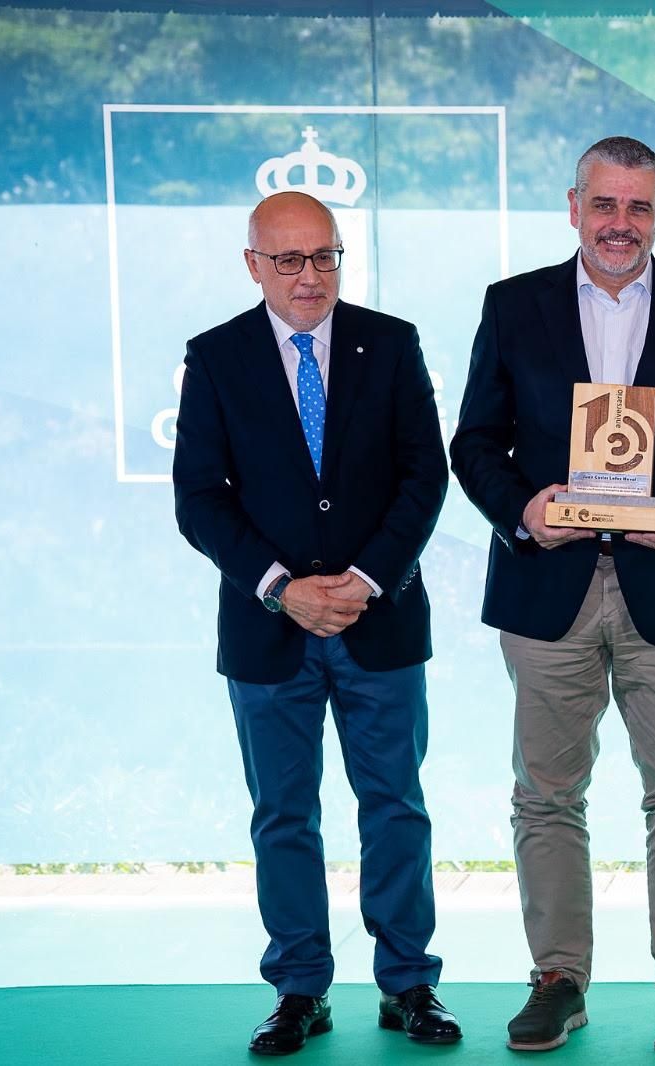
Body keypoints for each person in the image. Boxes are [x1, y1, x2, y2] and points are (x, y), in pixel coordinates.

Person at [450, 135, 655, 1055]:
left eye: (640, 208)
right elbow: (473, 442)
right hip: (545, 579)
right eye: (606, 205)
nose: (621, 225)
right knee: (547, 793)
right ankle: (559, 978)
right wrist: (524, 508)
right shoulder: (512, 307)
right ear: (573, 207)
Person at [174, 190, 459, 1055]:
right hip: (268, 634)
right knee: (284, 815)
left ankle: (409, 983)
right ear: (254, 265)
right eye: (290, 260)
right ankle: (300, 990)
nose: (311, 277)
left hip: (380, 623)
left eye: (325, 256)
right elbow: (200, 500)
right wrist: (280, 589)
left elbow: (425, 478)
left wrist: (366, 580)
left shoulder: (393, 343)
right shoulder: (216, 358)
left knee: (396, 808)